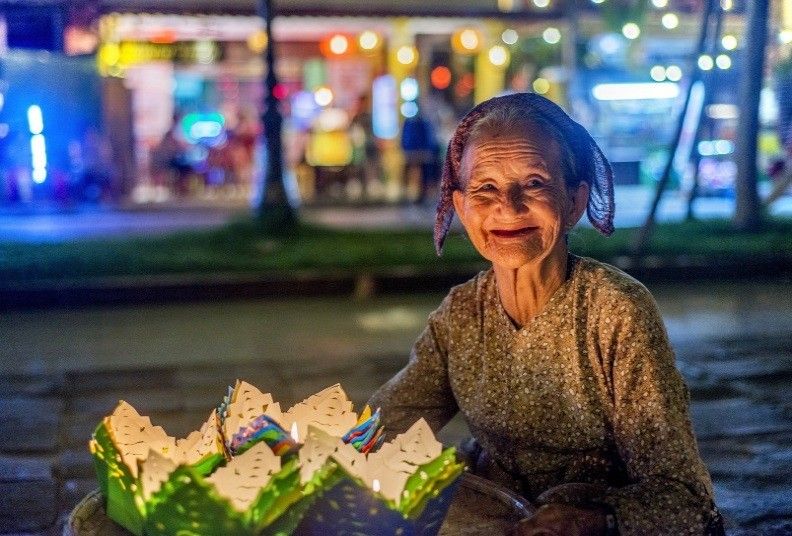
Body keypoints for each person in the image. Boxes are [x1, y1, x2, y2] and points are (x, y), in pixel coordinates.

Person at [368, 93, 722, 536]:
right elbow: (380, 427)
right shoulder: (461, 314)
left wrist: (594, 523)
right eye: (485, 188)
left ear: (574, 203)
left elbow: (688, 500)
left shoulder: (615, 311)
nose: (508, 207)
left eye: (534, 183)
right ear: (461, 208)